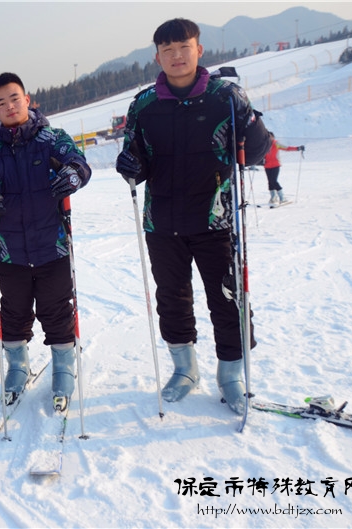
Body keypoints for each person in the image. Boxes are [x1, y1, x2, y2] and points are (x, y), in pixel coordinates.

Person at [116, 18, 272, 414]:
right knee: (172, 299)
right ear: (157, 57)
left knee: (229, 298)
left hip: (215, 220)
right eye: (167, 50)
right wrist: (129, 166)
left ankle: (231, 375)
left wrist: (250, 118)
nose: (177, 56)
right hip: (162, 222)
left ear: (199, 50)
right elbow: (138, 161)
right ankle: (185, 369)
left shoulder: (225, 97)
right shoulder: (144, 105)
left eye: (183, 47)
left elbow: (255, 153)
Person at [0, 72, 91, 412]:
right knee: (14, 312)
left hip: (52, 246)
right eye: (1, 102)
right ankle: (17, 367)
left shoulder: (51, 139)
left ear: (27, 100)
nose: (9, 106)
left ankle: (63, 368)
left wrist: (74, 174)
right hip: (9, 251)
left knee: (56, 310)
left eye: (14, 98)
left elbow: (78, 163)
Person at [263, 132, 304, 204]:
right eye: (268, 137)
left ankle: (282, 197)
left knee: (274, 181)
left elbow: (287, 148)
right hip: (267, 166)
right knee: (270, 182)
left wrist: (297, 148)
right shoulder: (264, 145)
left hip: (275, 165)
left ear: (273, 137)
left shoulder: (276, 143)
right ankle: (273, 197)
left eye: (270, 136)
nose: (269, 138)